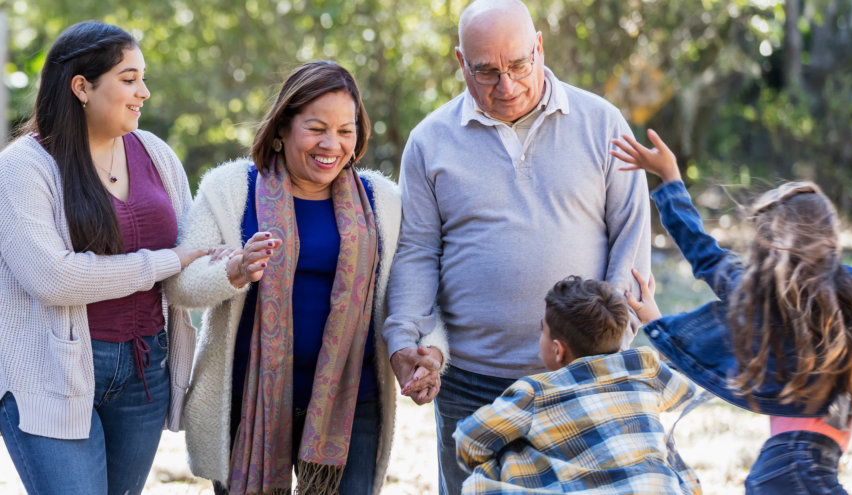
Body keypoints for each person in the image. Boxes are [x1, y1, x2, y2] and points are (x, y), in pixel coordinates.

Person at [381, 0, 652, 492]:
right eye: (485, 71)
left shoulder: (603, 123)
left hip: (581, 377)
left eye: (519, 65)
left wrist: (610, 348)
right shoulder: (429, 142)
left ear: (540, 48)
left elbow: (631, 236)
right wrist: (404, 338)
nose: (505, 86)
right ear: (460, 62)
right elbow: (417, 252)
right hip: (469, 381)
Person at [163, 61, 446, 495]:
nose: (331, 144)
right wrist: (234, 270)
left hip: (352, 404)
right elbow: (181, 285)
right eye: (316, 128)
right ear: (282, 128)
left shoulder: (382, 201)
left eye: (345, 130)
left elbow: (412, 291)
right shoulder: (231, 189)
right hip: (248, 404)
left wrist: (429, 353)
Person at [0, 21, 206, 495]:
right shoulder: (23, 169)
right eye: (129, 79)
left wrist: (231, 266)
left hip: (143, 370)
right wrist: (164, 261)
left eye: (144, 78)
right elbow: (55, 279)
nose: (144, 92)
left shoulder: (155, 153)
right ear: (82, 87)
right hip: (49, 371)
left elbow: (192, 251)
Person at [613, 129, 852, 494]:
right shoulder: (842, 292)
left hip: (784, 469)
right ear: (829, 242)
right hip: (799, 471)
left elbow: (706, 254)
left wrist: (671, 178)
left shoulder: (779, 295)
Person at [453, 276, 702, 494]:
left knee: (508, 453)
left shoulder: (534, 393)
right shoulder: (643, 366)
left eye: (543, 331)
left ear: (557, 349)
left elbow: (469, 440)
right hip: (655, 488)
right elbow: (689, 386)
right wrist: (655, 322)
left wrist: (514, 461)